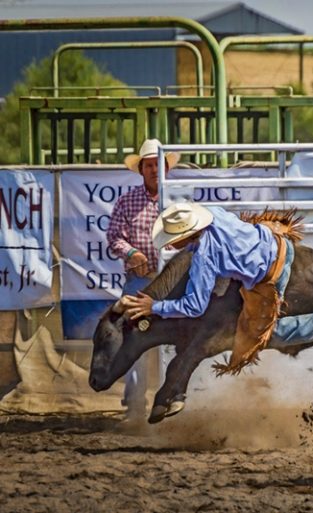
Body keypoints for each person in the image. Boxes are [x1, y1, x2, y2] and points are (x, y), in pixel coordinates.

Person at [120, 202, 313, 375]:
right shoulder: (213, 213)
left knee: (259, 335)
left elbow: (194, 306)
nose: (171, 244)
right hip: (274, 239)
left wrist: (154, 306)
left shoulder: (204, 257)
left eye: (173, 238)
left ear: (188, 233)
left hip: (272, 271)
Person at [107, 138, 180, 421]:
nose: (153, 170)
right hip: (141, 281)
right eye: (148, 165)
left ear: (166, 168)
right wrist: (132, 253)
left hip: (173, 282)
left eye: (157, 165)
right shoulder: (127, 201)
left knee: (176, 341)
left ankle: (172, 400)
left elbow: (193, 237)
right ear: (141, 170)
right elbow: (114, 237)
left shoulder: (178, 201)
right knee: (134, 341)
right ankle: (135, 407)